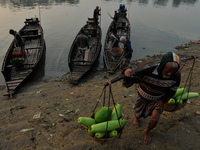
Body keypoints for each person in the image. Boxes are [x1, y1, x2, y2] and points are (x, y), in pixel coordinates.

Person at [123, 52, 181, 143]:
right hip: (143, 96)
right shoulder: (149, 67)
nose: (170, 74)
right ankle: (137, 118)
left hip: (158, 99)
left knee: (155, 119)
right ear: (162, 66)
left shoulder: (176, 75)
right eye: (167, 71)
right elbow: (134, 73)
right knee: (138, 110)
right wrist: (128, 70)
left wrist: (163, 100)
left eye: (173, 72)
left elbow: (173, 90)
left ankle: (147, 131)